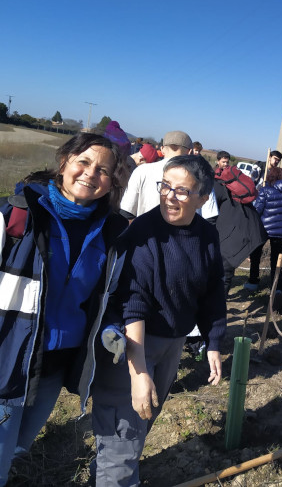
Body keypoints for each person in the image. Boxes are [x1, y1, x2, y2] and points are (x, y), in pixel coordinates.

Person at [0, 133, 130, 486]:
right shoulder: (14, 215)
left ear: (113, 180)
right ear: (64, 162)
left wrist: (111, 329)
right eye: (83, 162)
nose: (90, 173)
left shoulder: (112, 232)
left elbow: (108, 299)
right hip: (0, 362)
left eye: (103, 169)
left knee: (14, 451)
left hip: (53, 369)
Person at [92, 155, 226, 486]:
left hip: (172, 343)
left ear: (203, 198)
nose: (168, 195)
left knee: (137, 429)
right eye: (165, 186)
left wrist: (213, 343)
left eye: (181, 190)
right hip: (133, 343)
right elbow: (132, 304)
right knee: (122, 437)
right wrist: (138, 373)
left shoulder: (206, 236)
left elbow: (212, 293)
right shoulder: (143, 233)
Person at [213, 151, 267, 297]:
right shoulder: (232, 186)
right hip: (253, 230)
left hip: (233, 234)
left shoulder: (217, 186)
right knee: (225, 271)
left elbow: (210, 216)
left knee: (223, 273)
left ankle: (216, 313)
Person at [246, 166, 282, 294]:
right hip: (281, 232)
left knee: (255, 256)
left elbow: (257, 210)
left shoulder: (265, 190)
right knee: (276, 260)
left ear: (271, 177)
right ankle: (277, 288)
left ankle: (253, 282)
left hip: (263, 229)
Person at [119, 131, 192, 219]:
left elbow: (126, 212)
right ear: (189, 152)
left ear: (162, 149)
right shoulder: (198, 177)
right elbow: (210, 218)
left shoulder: (141, 171)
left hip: (143, 230)